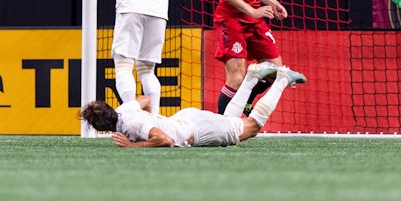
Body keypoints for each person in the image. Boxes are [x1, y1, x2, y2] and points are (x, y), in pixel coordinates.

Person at [80, 62, 306, 148]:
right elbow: (146, 100)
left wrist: (133, 146)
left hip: (194, 131)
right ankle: (251, 78)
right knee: (230, 122)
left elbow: (164, 139)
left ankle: (282, 78)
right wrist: (155, 118)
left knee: (252, 127)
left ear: (101, 129)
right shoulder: (124, 109)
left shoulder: (133, 123)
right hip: (184, 118)